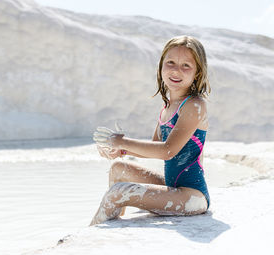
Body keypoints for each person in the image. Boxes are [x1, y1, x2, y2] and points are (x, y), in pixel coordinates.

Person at [90, 35, 211, 226]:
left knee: (118, 192)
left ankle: (92, 234)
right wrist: (120, 151)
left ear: (197, 72)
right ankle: (114, 224)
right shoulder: (167, 107)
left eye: (186, 65)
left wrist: (122, 141)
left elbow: (168, 150)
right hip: (173, 187)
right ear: (161, 66)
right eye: (170, 62)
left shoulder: (194, 105)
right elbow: (155, 147)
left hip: (192, 197)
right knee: (118, 169)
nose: (176, 70)